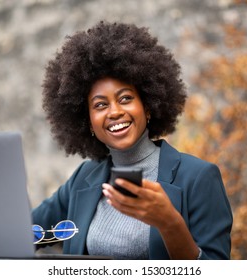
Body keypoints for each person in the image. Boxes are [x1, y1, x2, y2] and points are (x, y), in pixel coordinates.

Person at [32, 21, 233, 260]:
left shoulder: (198, 177)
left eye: (125, 98)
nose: (114, 111)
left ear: (147, 106)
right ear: (88, 122)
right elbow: (27, 232)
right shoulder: (84, 178)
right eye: (100, 105)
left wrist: (169, 222)